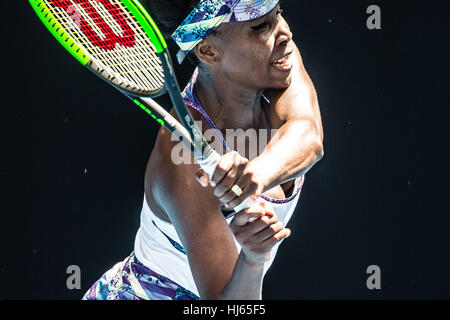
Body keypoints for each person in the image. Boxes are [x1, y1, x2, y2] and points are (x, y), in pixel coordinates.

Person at [83, 0, 323, 300]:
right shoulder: (181, 160)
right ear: (208, 51)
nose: (284, 32)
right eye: (260, 26)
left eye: (279, 14)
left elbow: (308, 136)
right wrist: (254, 258)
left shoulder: (277, 61)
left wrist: (253, 177)